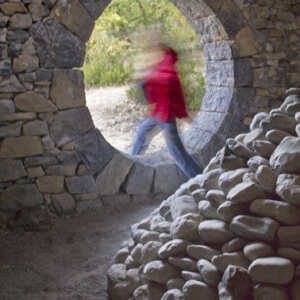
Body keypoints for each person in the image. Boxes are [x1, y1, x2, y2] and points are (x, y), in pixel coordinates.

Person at [130, 32, 202, 179]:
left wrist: (147, 75)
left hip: (166, 115)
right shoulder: (163, 63)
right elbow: (172, 54)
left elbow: (164, 80)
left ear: (160, 53)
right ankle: (132, 160)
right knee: (142, 133)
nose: (150, 56)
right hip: (158, 113)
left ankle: (200, 179)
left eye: (154, 52)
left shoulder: (165, 68)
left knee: (178, 153)